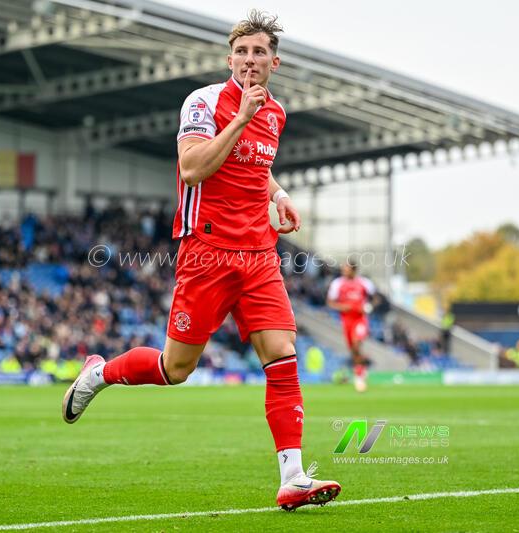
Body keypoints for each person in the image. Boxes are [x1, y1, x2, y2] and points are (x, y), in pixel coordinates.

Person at [61, 10, 341, 511]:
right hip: (206, 252)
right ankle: (99, 374)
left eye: (259, 53)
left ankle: (293, 476)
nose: (250, 60)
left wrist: (279, 194)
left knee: (282, 357)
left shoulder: (275, 113)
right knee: (176, 368)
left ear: (274, 62)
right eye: (242, 52)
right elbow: (192, 169)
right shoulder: (206, 102)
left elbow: (257, 165)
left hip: (258, 254)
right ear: (229, 58)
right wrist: (240, 118)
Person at [327, 261, 379, 392]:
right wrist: (343, 307)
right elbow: (330, 302)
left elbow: (376, 298)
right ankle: (361, 369)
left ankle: (359, 377)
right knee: (353, 350)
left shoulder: (364, 283)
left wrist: (369, 306)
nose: (343, 270)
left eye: (346, 268)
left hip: (360, 319)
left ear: (353, 269)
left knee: (356, 344)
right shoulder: (337, 283)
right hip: (346, 321)